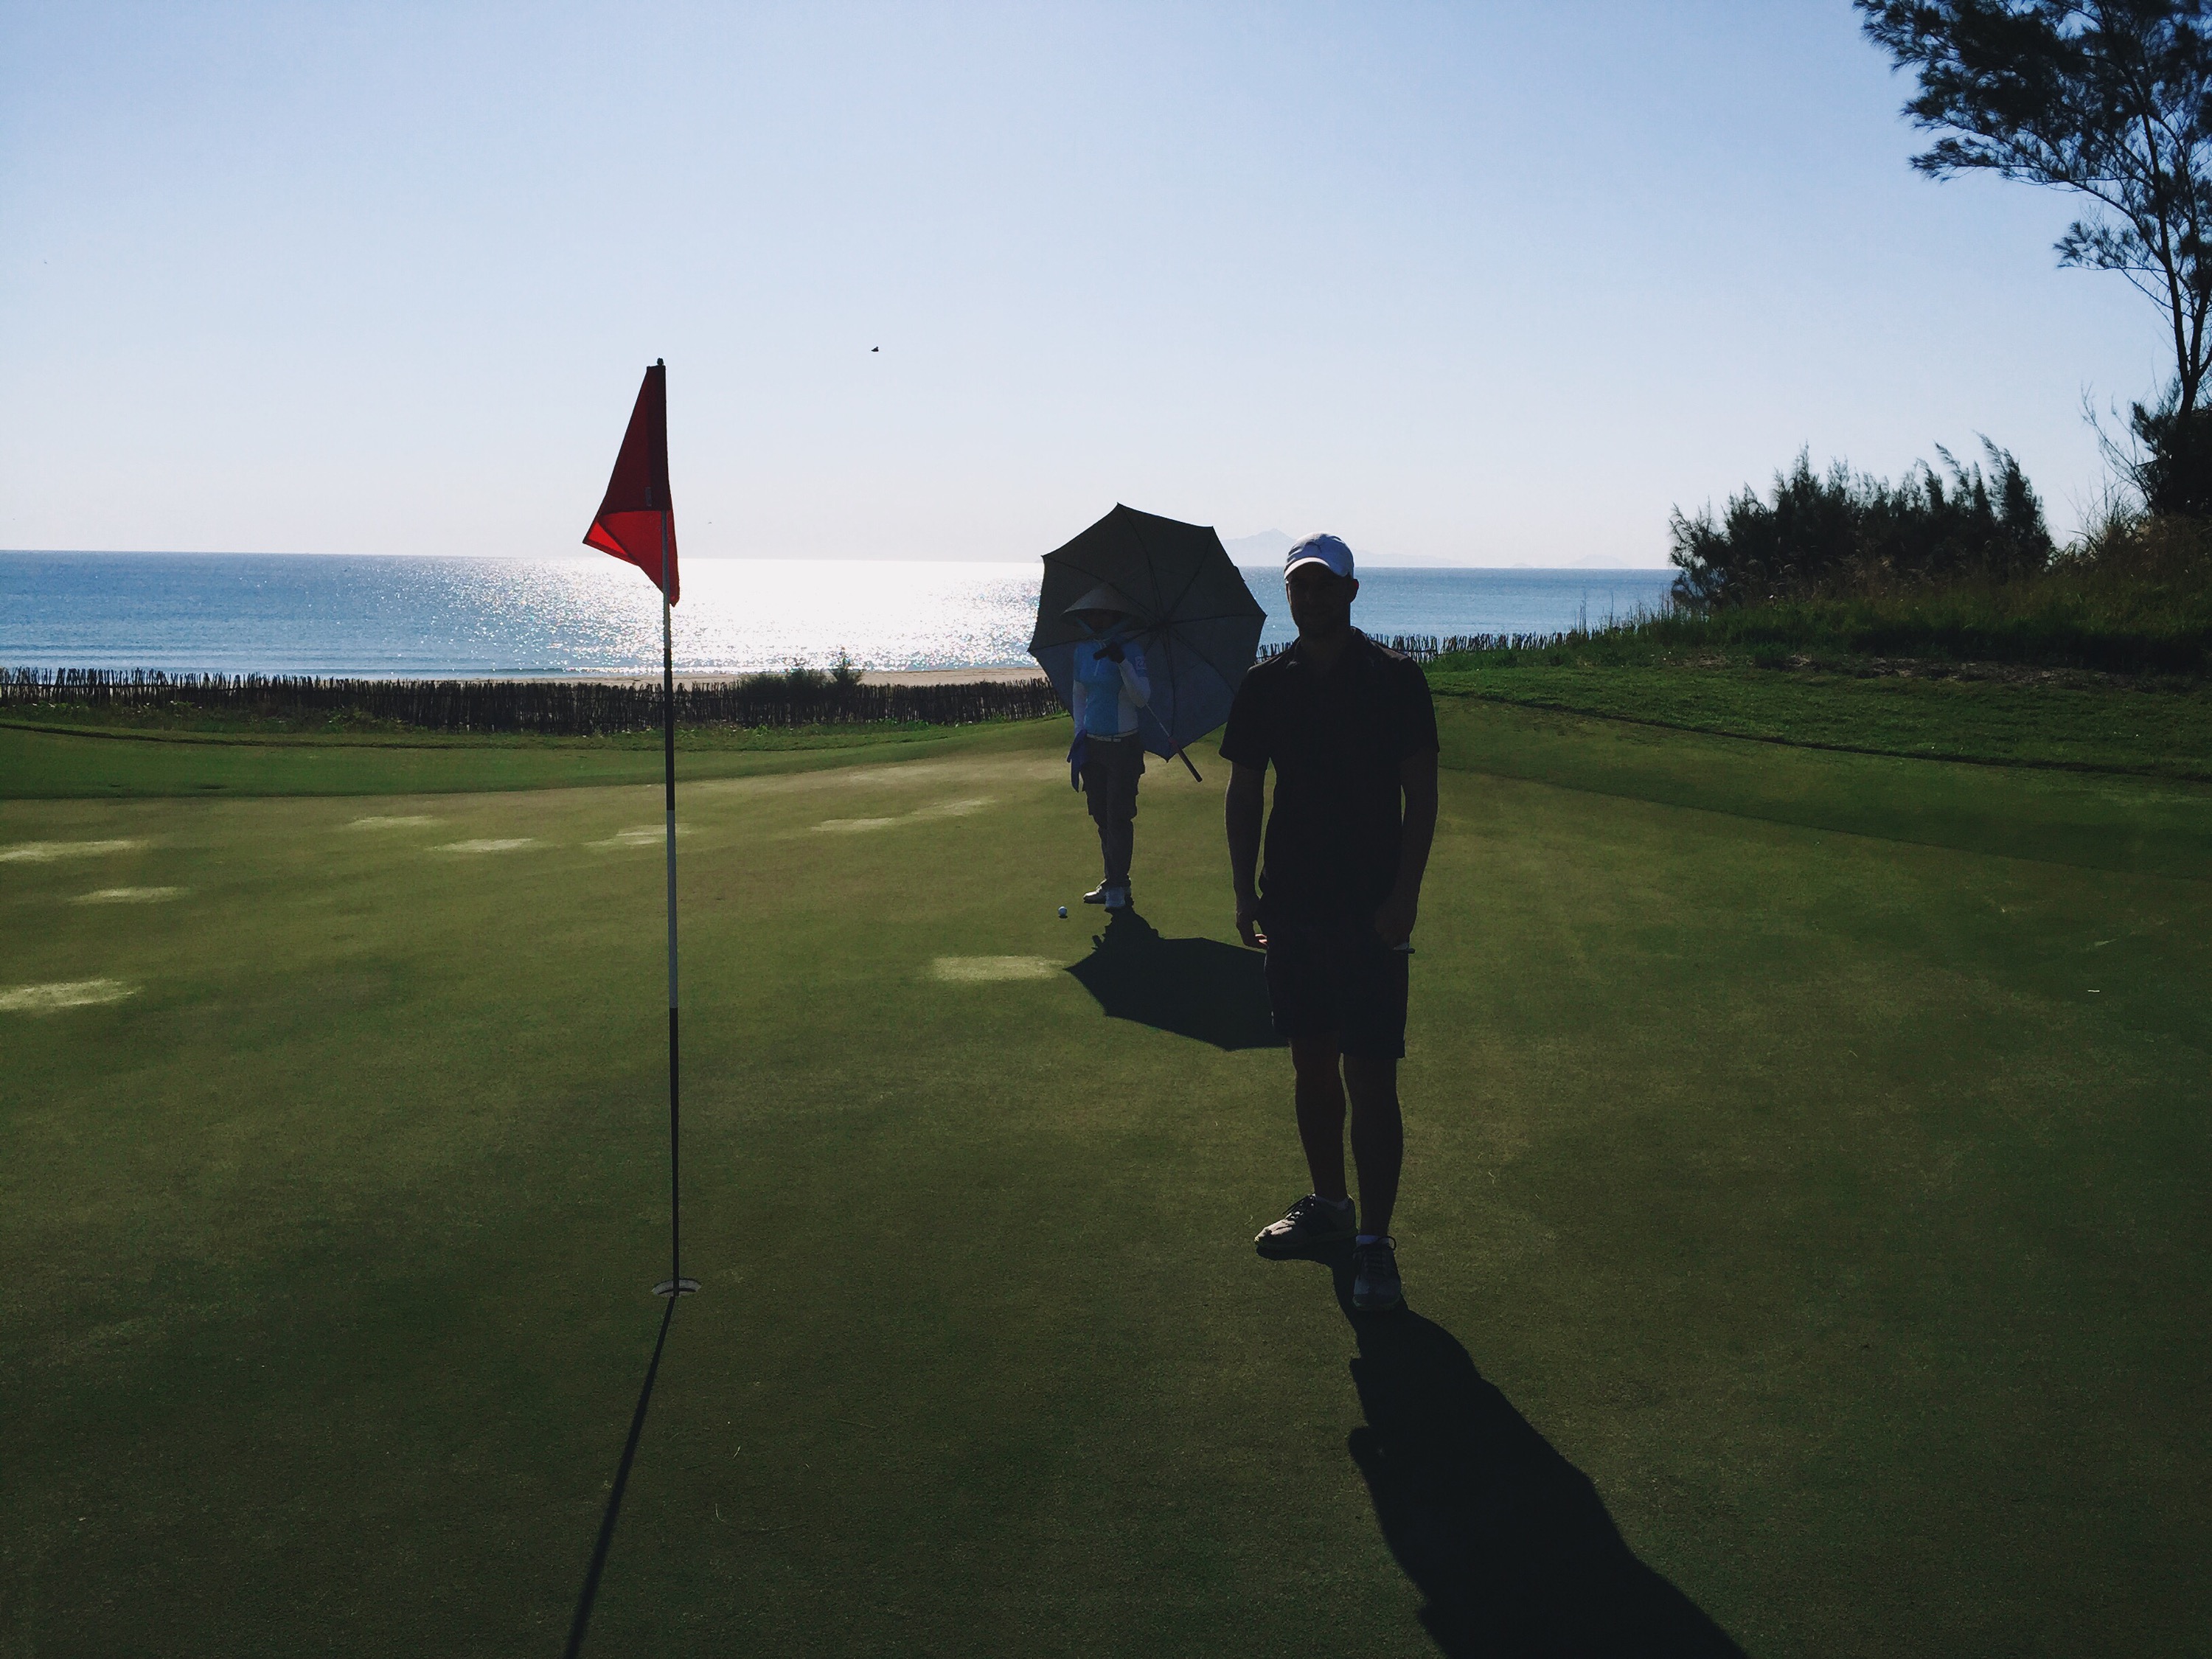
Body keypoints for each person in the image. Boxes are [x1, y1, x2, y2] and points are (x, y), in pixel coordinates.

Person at [1220, 533, 1439, 1312]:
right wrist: (1244, 893)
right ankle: (1331, 1207)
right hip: (1294, 905)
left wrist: (1406, 894)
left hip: (1372, 910)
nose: (1310, 597)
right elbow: (1245, 791)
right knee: (1311, 1063)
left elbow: (1422, 794)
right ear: (1289, 594)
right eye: (1299, 586)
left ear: (1351, 591)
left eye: (1324, 585)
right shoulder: (1266, 684)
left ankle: (1375, 1243)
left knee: (1370, 1073)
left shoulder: (1395, 679)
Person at [1065, 585, 1152, 909]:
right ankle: (1115, 881)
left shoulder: (1132, 650)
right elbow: (1079, 693)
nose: (1096, 619)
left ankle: (1117, 884)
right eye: (1092, 614)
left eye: (1102, 613)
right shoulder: (1083, 650)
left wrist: (1123, 663)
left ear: (1115, 616)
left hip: (1124, 746)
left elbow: (1141, 698)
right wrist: (1079, 732)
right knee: (1101, 815)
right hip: (1092, 745)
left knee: (1119, 816)